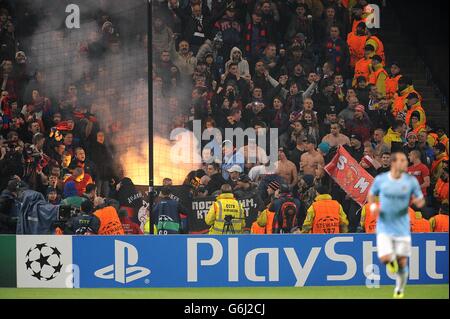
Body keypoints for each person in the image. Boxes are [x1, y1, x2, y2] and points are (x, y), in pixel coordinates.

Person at [368, 152, 425, 298]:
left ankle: (399, 290)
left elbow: (419, 199)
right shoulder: (381, 179)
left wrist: (417, 201)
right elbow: (371, 194)